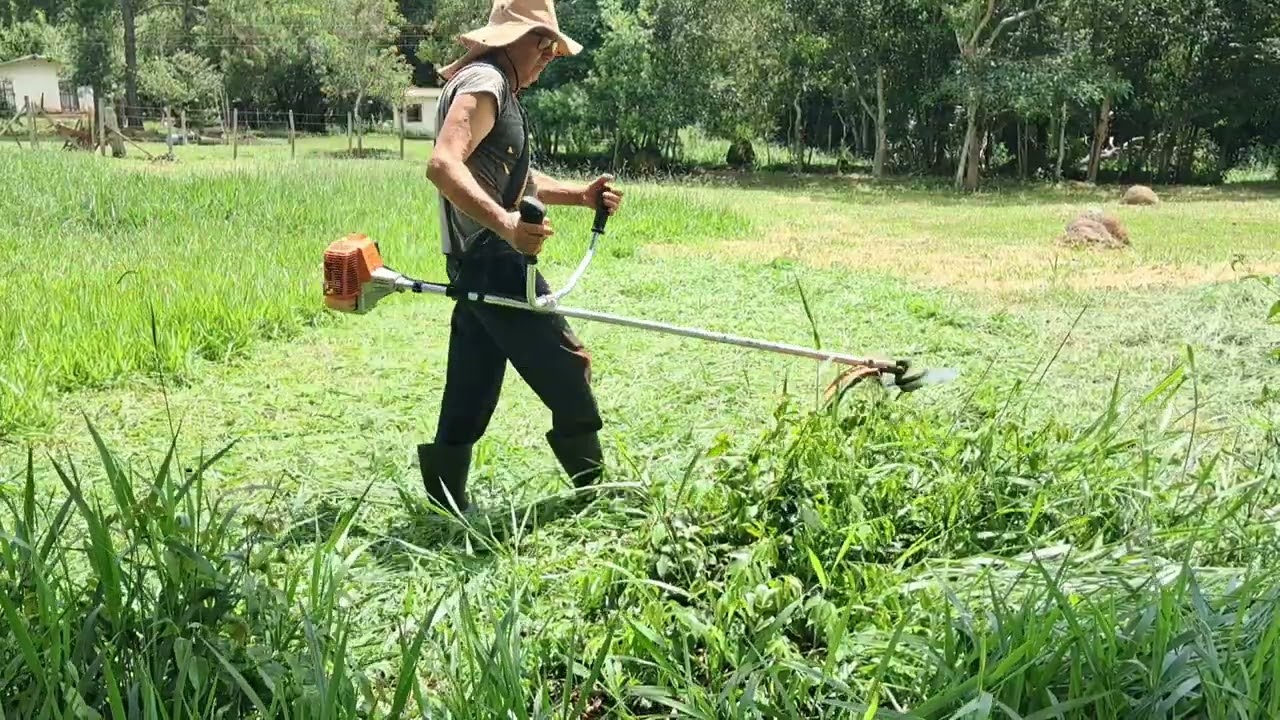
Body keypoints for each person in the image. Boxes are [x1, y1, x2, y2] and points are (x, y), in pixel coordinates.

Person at [419, 0, 623, 514]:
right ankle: (596, 497)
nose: (549, 60)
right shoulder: (486, 84)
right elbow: (444, 164)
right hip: (495, 261)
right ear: (524, 38)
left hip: (475, 262)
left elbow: (513, 181)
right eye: (547, 48)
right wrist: (509, 226)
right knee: (569, 368)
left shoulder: (490, 85)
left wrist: (580, 195)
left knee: (473, 379)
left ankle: (446, 502)